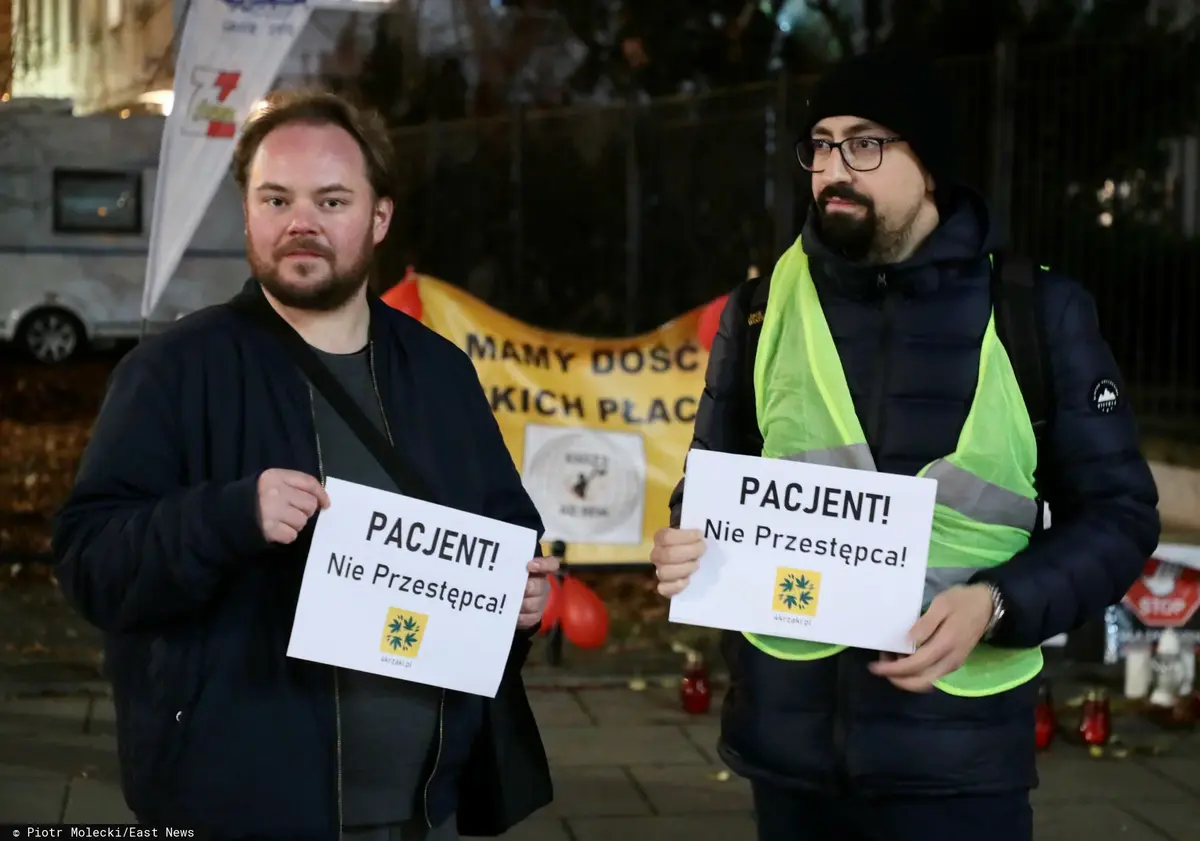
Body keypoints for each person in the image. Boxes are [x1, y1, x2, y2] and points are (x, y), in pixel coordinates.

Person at [651, 47, 1160, 841]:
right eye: (820, 144)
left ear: (930, 166)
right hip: (790, 757)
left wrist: (998, 601)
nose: (831, 170)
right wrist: (684, 545)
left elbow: (1121, 517)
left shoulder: (1038, 312)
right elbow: (709, 489)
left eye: (864, 143)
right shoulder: (758, 310)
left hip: (957, 766)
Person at [52, 90, 555, 841]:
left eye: (331, 199)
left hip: (427, 808)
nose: (301, 223)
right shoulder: (174, 371)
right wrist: (229, 516)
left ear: (379, 217)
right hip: (238, 809)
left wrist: (523, 599)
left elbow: (505, 532)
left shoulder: (440, 373)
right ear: (248, 211)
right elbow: (89, 559)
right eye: (276, 198)